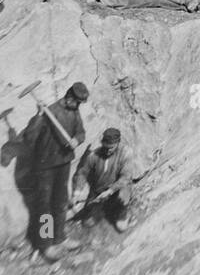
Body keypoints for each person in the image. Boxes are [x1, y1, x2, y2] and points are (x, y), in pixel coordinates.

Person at [22, 82, 89, 262]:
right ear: (69, 96)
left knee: (60, 202)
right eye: (76, 101)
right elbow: (29, 138)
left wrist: (77, 140)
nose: (78, 105)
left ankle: (60, 238)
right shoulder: (48, 112)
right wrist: (38, 116)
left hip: (64, 163)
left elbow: (81, 133)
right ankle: (45, 245)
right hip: (45, 167)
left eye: (80, 103)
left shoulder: (74, 112)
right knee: (45, 206)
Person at [71, 127, 137, 233]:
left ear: (118, 143)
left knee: (122, 226)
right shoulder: (94, 155)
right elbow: (82, 173)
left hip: (118, 190)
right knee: (88, 223)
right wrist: (77, 193)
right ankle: (105, 209)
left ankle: (121, 212)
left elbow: (125, 177)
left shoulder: (126, 153)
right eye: (106, 147)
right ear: (102, 143)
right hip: (99, 193)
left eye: (111, 147)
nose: (108, 150)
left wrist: (110, 191)